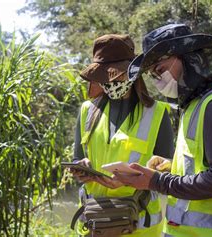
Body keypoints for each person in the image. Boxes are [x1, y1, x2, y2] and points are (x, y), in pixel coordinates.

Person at [114, 24, 212, 237]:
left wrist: (156, 181)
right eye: (152, 75)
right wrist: (170, 169)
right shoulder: (192, 106)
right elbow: (200, 167)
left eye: (160, 69)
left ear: (187, 59)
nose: (158, 80)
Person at [70, 34, 174, 236]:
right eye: (103, 77)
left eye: (116, 75)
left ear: (132, 73)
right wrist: (80, 168)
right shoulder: (86, 111)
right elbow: (77, 157)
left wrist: (134, 178)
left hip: (141, 228)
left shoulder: (157, 113)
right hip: (95, 224)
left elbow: (169, 169)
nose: (110, 82)